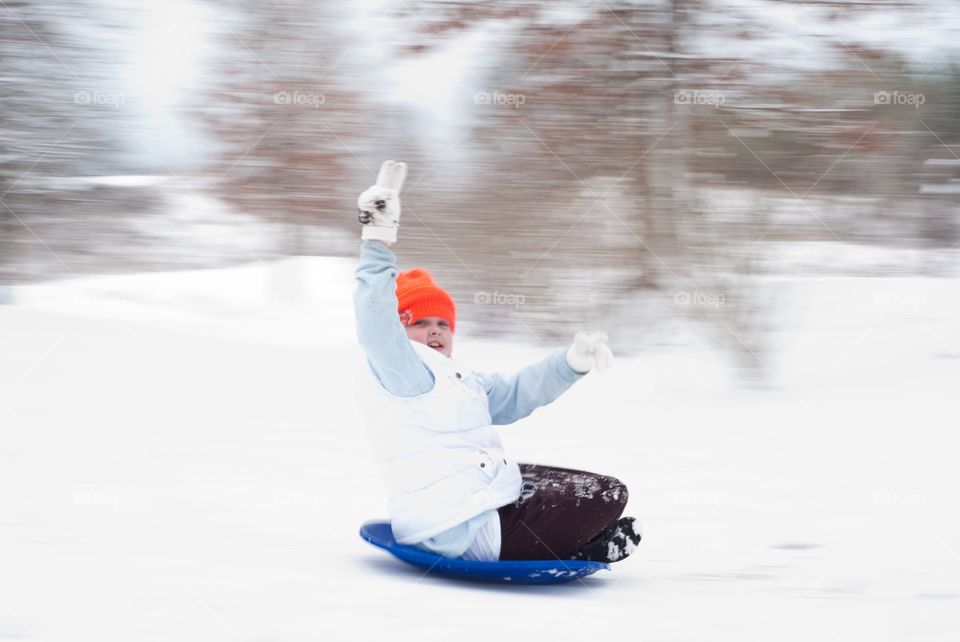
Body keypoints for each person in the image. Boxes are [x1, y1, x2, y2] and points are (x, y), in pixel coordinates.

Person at [353, 160, 641, 563]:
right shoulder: (403, 370)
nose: (435, 331)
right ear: (400, 330)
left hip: (454, 515)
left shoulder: (458, 379)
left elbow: (517, 393)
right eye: (419, 322)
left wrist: (570, 363)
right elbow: (374, 322)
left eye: (443, 323)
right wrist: (377, 240)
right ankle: (577, 544)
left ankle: (575, 537)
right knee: (610, 494)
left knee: (539, 478)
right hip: (459, 529)